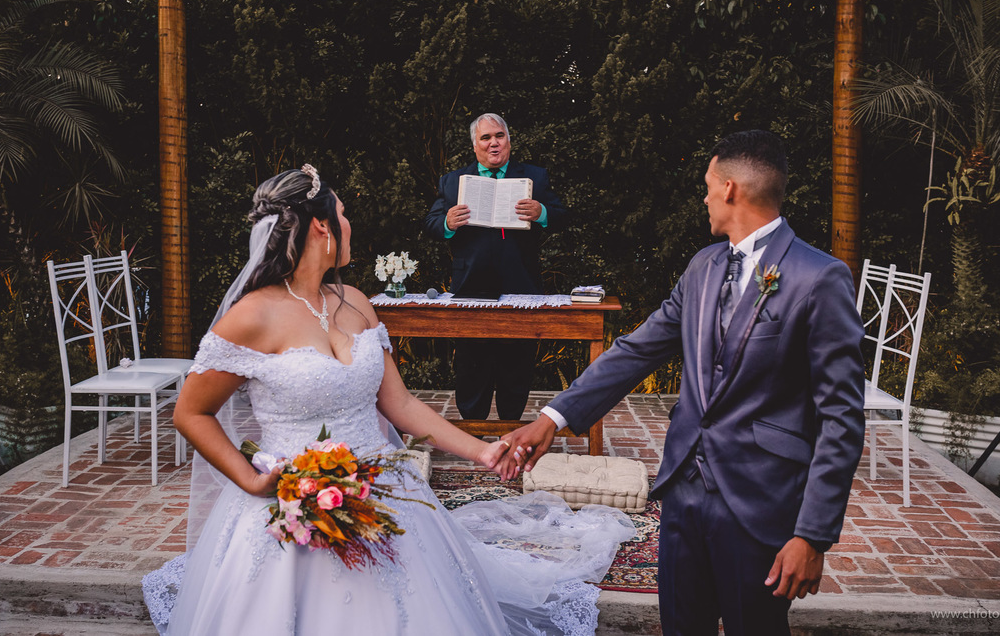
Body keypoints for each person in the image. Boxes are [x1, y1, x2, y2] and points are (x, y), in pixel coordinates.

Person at [141, 166, 632, 635]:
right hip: (290, 502)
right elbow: (191, 412)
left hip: (384, 490)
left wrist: (483, 451)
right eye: (343, 214)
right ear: (321, 227)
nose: (349, 224)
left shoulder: (356, 302)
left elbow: (401, 405)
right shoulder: (252, 316)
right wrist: (250, 479)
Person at [503, 130, 866, 636]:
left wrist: (812, 535)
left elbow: (841, 418)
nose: (705, 197)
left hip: (760, 503)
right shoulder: (703, 267)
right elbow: (638, 349)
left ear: (730, 189)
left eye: (708, 185)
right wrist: (552, 418)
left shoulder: (819, 277)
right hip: (683, 495)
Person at [423, 113, 568, 421]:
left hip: (521, 284)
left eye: (499, 136)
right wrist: (447, 222)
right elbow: (431, 223)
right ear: (475, 145)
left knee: (517, 365)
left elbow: (561, 215)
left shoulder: (535, 177)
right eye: (485, 138)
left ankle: (510, 429)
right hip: (470, 285)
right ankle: (472, 431)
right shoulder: (453, 181)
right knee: (471, 365)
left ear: (509, 141)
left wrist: (542, 212)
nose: (493, 143)